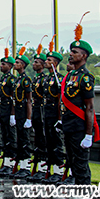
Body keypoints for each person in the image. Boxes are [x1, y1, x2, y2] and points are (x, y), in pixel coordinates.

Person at [60, 20, 99, 199]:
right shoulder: (70, 76)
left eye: (75, 52)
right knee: (74, 165)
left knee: (82, 166)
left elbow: (89, 107)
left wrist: (88, 134)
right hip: (69, 126)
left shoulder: (86, 77)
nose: (71, 54)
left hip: (79, 128)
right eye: (71, 51)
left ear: (83, 56)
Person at [39, 39, 66, 184]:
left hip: (55, 112)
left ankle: (59, 170)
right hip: (46, 112)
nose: (46, 62)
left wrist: (60, 117)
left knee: (56, 141)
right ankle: (51, 169)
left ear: (54, 63)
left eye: (49, 60)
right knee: (48, 140)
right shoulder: (46, 78)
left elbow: (60, 99)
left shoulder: (58, 79)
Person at [0, 48, 17, 176]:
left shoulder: (11, 79)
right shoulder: (2, 79)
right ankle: (5, 163)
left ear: (10, 66)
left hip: (9, 110)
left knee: (10, 137)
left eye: (3, 64)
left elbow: (13, 98)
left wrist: (12, 114)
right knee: (4, 136)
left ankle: (10, 164)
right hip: (2, 109)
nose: (1, 66)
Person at [12, 47, 33, 178]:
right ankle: (21, 166)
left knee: (25, 140)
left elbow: (29, 100)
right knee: (19, 139)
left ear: (23, 65)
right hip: (18, 113)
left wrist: (28, 118)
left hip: (24, 113)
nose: (15, 64)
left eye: (17, 63)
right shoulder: (17, 79)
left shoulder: (26, 80)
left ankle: (26, 166)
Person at [29, 47, 47, 179]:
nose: (34, 64)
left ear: (42, 65)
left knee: (43, 140)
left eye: (36, 62)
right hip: (36, 110)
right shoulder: (35, 79)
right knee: (37, 140)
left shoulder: (44, 79)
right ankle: (39, 167)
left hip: (42, 110)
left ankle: (43, 168)